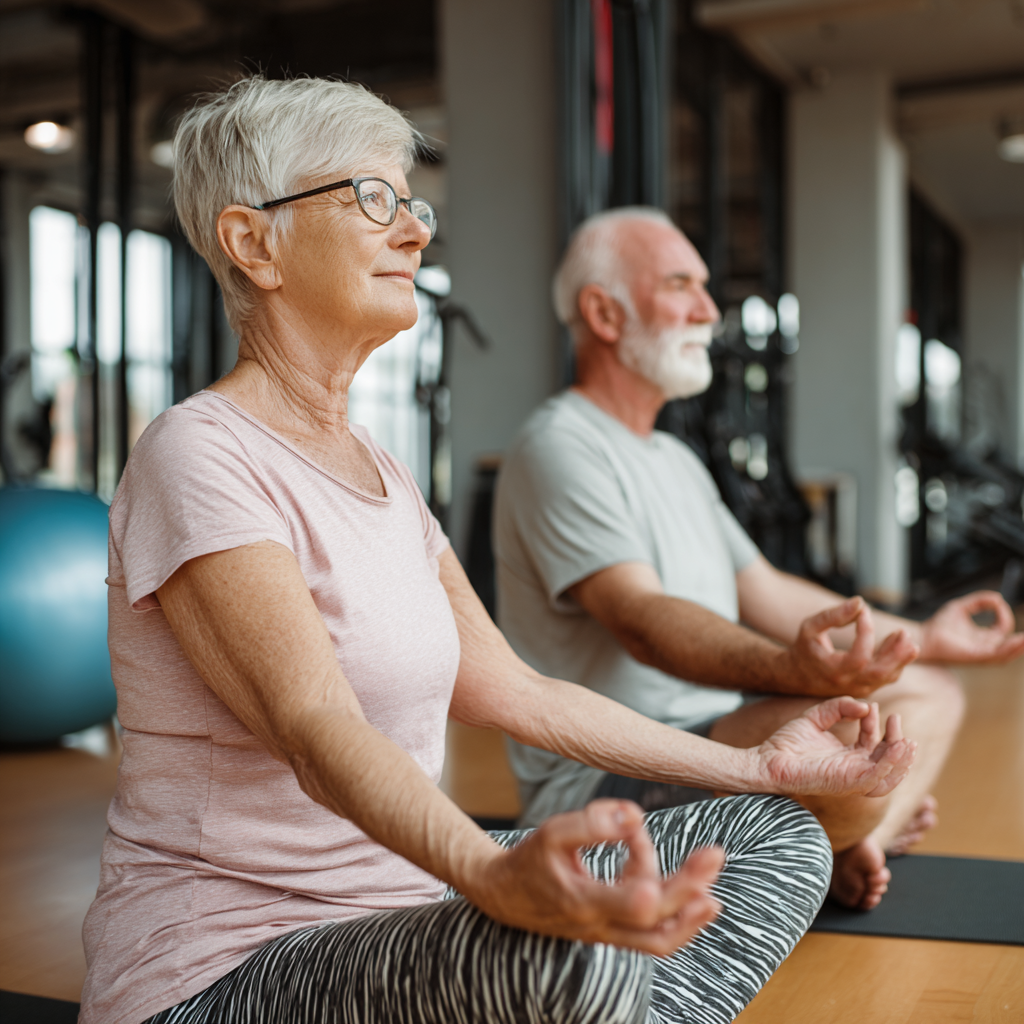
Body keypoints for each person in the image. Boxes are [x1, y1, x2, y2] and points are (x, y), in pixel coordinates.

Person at [79, 79, 916, 1024]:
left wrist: (762, 768)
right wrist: (491, 874)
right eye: (372, 199)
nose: (414, 232)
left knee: (783, 836)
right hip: (225, 965)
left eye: (412, 202)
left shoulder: (385, 476)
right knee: (575, 955)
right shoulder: (197, 453)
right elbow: (316, 729)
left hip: (403, 919)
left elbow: (519, 694)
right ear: (252, 243)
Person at [494, 206, 1024, 913]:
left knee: (930, 694)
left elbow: (765, 588)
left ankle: (848, 844)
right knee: (847, 748)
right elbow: (642, 620)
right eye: (682, 284)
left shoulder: (675, 459)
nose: (710, 310)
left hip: (720, 733)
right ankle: (845, 836)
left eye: (706, 288)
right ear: (604, 313)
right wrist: (790, 670)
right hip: (609, 771)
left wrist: (925, 637)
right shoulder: (559, 445)